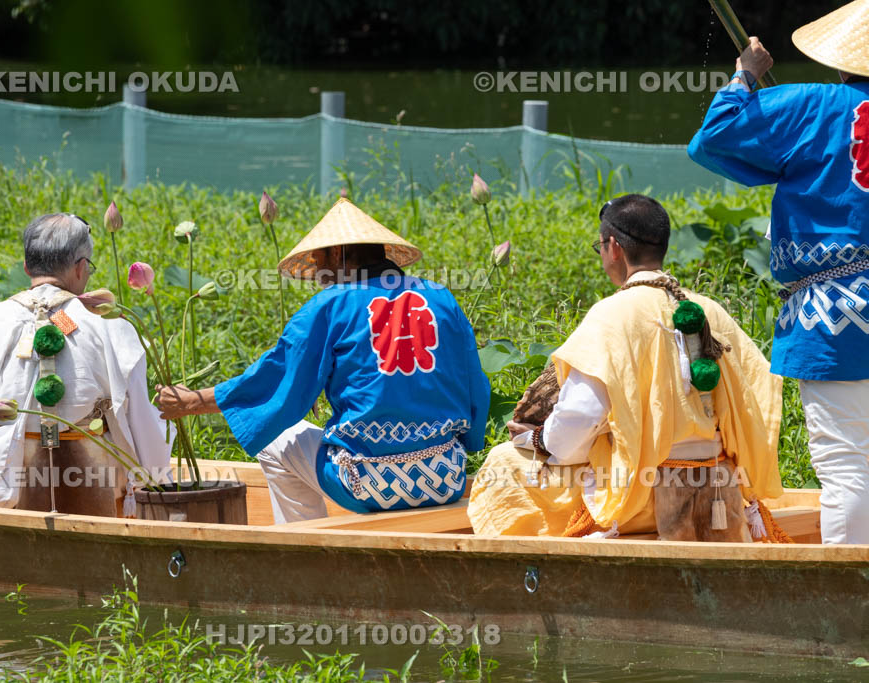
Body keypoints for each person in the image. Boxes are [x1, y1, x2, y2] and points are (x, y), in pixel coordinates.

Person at [468, 195, 785, 541]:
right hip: (716, 490)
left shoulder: (612, 315)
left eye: (600, 246)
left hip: (639, 500)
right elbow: (759, 388)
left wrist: (537, 439)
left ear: (614, 247)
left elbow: (578, 421)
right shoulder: (708, 309)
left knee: (503, 463)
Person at [157, 197, 491, 523]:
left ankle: (304, 543)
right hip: (445, 478)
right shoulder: (441, 298)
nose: (316, 269)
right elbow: (476, 386)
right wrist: (470, 443)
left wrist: (191, 402)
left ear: (336, 252)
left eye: (317, 258)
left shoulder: (329, 306)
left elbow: (274, 381)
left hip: (368, 484)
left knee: (274, 440)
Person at [688, 1, 869, 544]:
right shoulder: (815, 106)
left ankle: (850, 608)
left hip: (837, 314)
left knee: (849, 466)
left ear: (839, 61)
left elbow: (715, 137)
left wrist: (746, 75)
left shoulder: (815, 104)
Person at [0, 214, 172, 516]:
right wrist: (157, 484)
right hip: (96, 485)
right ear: (81, 268)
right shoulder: (108, 325)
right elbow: (140, 425)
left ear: (28, 267)